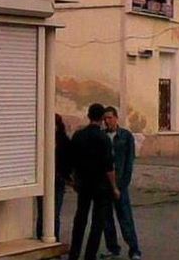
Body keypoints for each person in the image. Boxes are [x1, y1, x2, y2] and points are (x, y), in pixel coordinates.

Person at [68, 103, 120, 260]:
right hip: (100, 185)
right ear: (102, 118)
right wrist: (114, 187)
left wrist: (73, 179)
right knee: (98, 222)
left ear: (88, 116)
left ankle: (74, 253)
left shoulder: (78, 135)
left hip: (83, 183)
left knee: (80, 218)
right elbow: (109, 166)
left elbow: (72, 160)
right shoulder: (103, 138)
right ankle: (90, 255)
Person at [100, 106, 141, 260]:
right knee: (106, 219)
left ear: (116, 118)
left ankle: (134, 249)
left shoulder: (125, 136)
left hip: (120, 183)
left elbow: (129, 161)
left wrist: (122, 184)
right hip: (104, 184)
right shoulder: (102, 136)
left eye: (110, 118)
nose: (107, 121)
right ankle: (112, 248)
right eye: (105, 118)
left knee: (125, 218)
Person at [36, 114, 73, 241]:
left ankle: (54, 238)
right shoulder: (42, 139)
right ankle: (41, 237)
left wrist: (65, 175)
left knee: (55, 213)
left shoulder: (63, 141)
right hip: (44, 179)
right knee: (42, 212)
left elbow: (68, 160)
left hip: (58, 180)